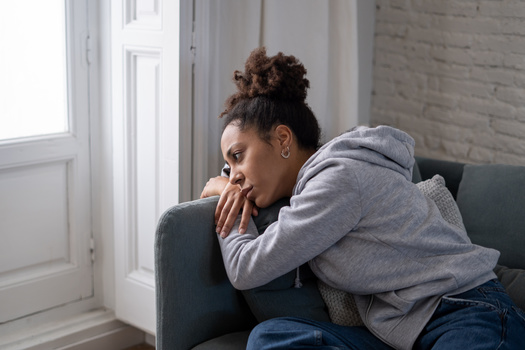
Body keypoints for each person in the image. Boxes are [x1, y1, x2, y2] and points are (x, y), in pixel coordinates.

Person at [200, 47, 525, 349]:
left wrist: (227, 197)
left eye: (238, 156)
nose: (233, 175)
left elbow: (246, 267)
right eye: (228, 168)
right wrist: (229, 184)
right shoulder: (314, 191)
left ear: (283, 138)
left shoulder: (338, 179)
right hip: (403, 333)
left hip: (466, 312)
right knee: (272, 337)